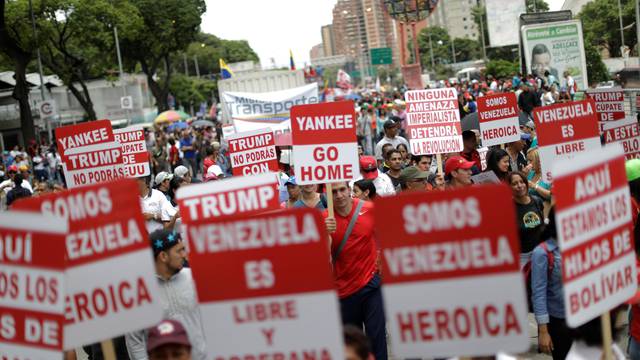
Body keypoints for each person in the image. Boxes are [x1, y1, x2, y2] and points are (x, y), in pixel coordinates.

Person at [323, 182, 387, 360]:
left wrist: (381, 255)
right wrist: (324, 233)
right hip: (343, 291)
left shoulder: (369, 208)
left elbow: (386, 232)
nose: (339, 195)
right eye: (334, 192)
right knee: (353, 347)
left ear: (349, 190)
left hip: (371, 285)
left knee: (377, 338)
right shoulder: (324, 219)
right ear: (327, 194)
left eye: (342, 190)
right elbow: (320, 259)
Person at [125, 230, 206, 360]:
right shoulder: (140, 291)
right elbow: (135, 340)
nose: (184, 255)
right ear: (163, 256)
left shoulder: (194, 277)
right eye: (179, 251)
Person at [532, 207, 572, 360]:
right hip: (559, 323)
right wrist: (543, 331)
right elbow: (538, 293)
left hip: (584, 320)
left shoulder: (580, 245)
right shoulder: (542, 253)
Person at [507, 171, 545, 267]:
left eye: (522, 182)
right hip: (522, 257)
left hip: (541, 252)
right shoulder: (507, 209)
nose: (519, 186)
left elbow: (543, 226)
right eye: (514, 184)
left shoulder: (537, 201)